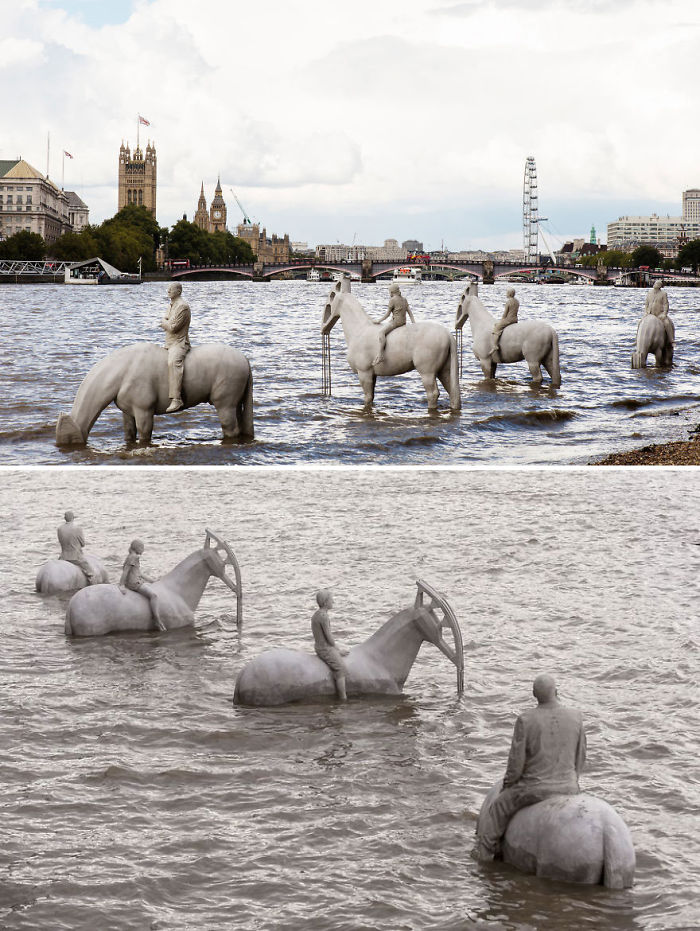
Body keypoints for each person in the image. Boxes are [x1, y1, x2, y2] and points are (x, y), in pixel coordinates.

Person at [472, 673, 586, 861]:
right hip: (569, 787)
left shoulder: (526, 720)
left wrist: (507, 785)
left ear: (534, 695)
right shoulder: (576, 717)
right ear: (556, 691)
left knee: (499, 806)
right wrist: (572, 781)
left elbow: (515, 765)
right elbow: (580, 758)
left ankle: (483, 854)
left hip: (534, 789)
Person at [119, 539, 165, 631]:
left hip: (136, 580)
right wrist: (121, 585)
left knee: (149, 586)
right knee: (154, 596)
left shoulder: (132, 557)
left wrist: (152, 581)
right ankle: (157, 619)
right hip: (134, 583)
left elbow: (139, 573)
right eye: (142, 548)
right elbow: (125, 571)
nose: (143, 550)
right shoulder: (133, 557)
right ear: (137, 548)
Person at [160, 282, 191, 413]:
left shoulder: (182, 307)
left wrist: (164, 323)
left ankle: (177, 399)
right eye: (168, 288)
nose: (168, 290)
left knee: (174, 362)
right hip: (169, 343)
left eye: (171, 289)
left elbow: (172, 328)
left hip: (179, 343)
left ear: (178, 291)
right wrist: (166, 322)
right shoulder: (171, 305)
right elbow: (166, 321)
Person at [311, 589, 347, 701]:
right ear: (326, 602)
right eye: (331, 600)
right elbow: (329, 638)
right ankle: (343, 698)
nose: (333, 602)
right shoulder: (323, 616)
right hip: (325, 649)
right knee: (341, 668)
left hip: (319, 646)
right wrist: (337, 650)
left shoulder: (316, 614)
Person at [372, 284, 415, 366]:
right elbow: (410, 312)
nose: (389, 293)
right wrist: (414, 323)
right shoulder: (404, 299)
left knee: (381, 332)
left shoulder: (392, 300)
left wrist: (378, 321)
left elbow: (387, 314)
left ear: (391, 292)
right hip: (403, 322)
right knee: (388, 324)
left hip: (396, 322)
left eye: (389, 292)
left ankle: (380, 354)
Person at [57, 510, 95, 583]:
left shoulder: (59, 529)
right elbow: (83, 544)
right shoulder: (77, 528)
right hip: (75, 557)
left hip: (63, 557)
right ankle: (91, 583)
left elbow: (61, 542)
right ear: (73, 518)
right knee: (90, 571)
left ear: (65, 518)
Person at [644, 280, 674, 346]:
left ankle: (671, 340)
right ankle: (638, 340)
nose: (655, 285)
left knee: (667, 323)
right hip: (650, 314)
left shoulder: (663, 293)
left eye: (657, 284)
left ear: (660, 286)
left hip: (659, 314)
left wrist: (664, 313)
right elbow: (646, 304)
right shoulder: (649, 293)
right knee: (641, 322)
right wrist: (646, 312)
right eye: (655, 283)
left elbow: (666, 304)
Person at [491, 288, 519, 358]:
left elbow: (505, 313)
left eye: (507, 292)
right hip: (515, 319)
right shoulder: (517, 301)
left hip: (508, 319)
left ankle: (495, 345)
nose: (506, 294)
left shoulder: (508, 302)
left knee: (497, 328)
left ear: (509, 294)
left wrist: (501, 321)